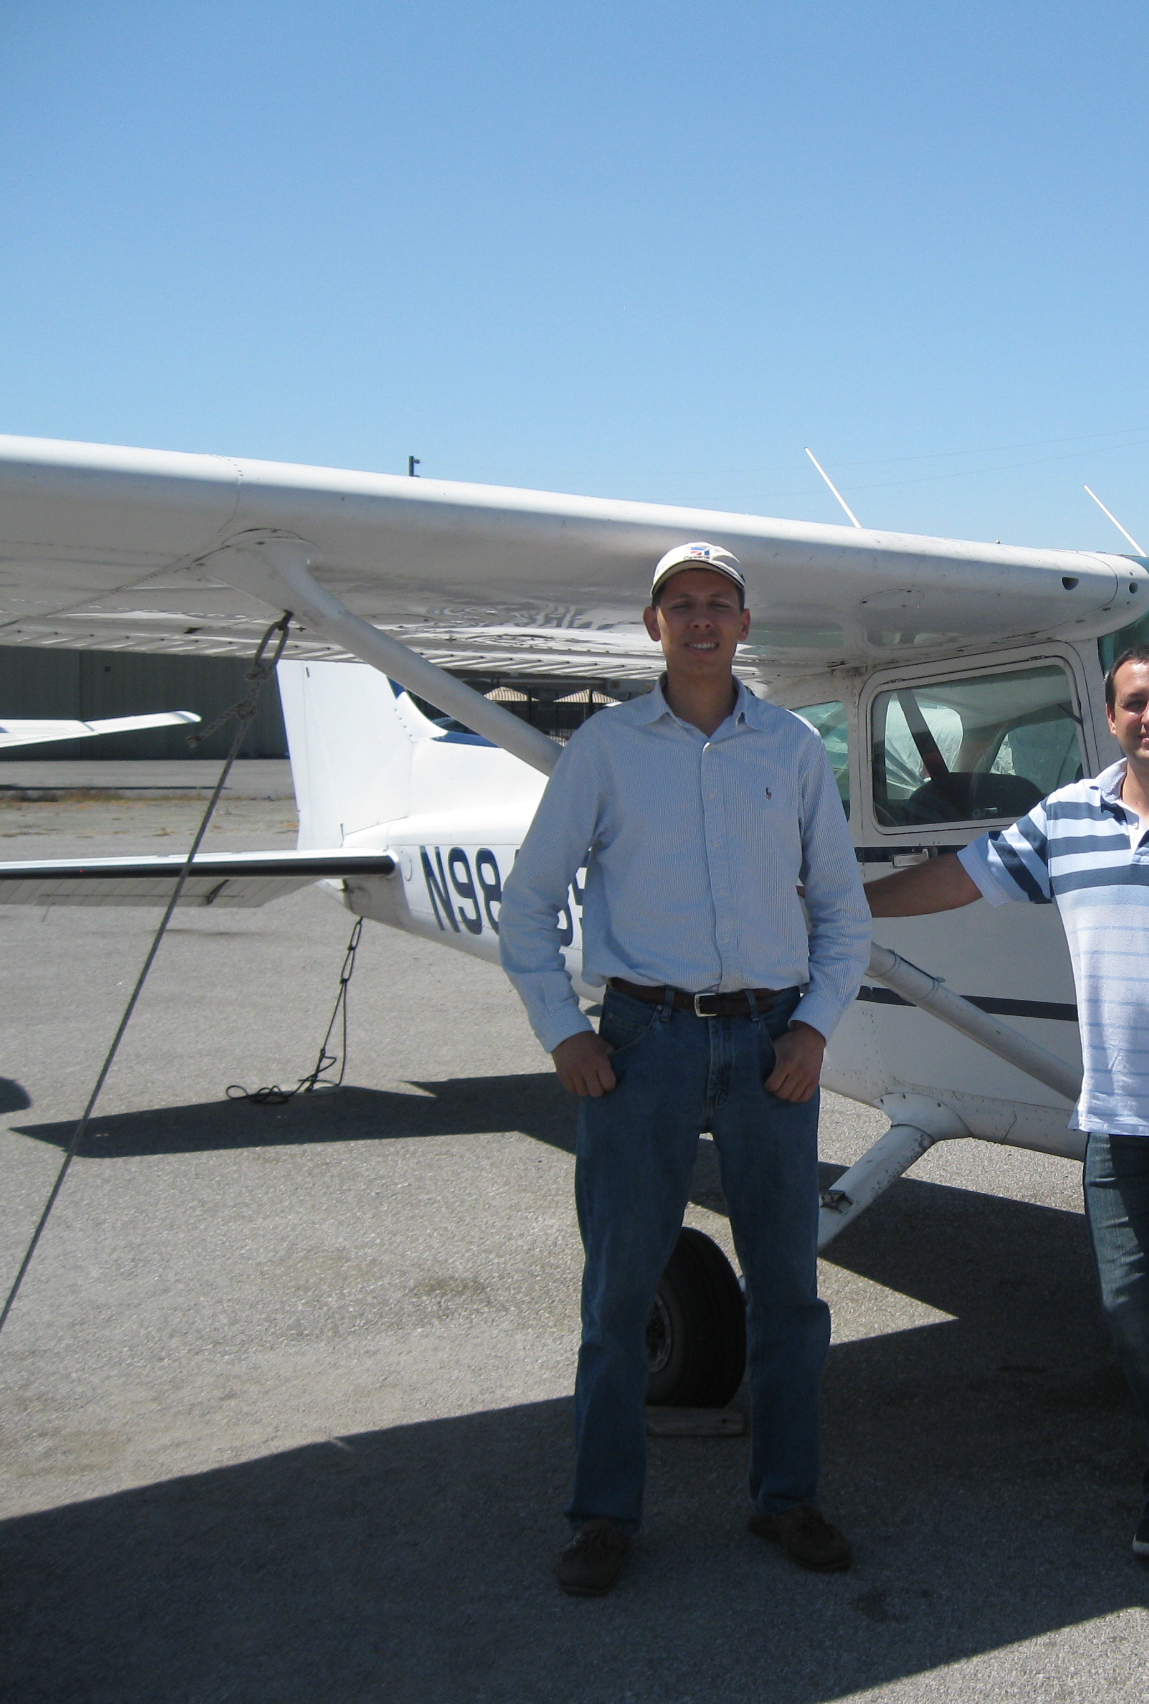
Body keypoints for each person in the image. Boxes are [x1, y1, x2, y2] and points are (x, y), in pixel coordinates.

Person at [863, 641, 1149, 1581]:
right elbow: (961, 876)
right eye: (1136, 703)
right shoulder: (1067, 819)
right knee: (1132, 1312)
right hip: (1120, 1119)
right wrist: (844, 906)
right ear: (1111, 720)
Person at [501, 540, 872, 1597]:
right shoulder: (607, 748)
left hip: (768, 1047)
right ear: (653, 624)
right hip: (641, 1045)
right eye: (681, 604)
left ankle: (786, 1497)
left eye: (720, 604)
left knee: (791, 1293)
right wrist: (562, 1033)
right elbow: (529, 905)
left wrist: (813, 1032)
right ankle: (604, 1516)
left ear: (744, 624)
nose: (702, 620)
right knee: (618, 1296)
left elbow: (841, 913)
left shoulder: (792, 748)